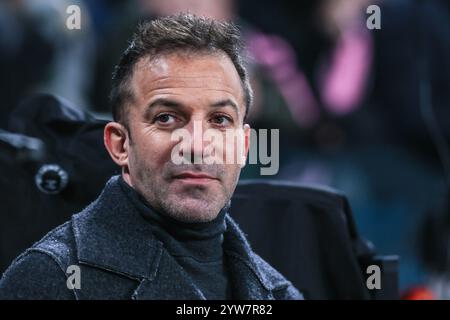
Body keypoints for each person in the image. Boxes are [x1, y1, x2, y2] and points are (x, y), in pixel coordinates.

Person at [0, 13, 302, 300]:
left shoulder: (279, 292)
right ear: (119, 145)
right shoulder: (49, 279)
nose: (196, 146)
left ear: (244, 146)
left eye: (220, 120)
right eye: (166, 118)